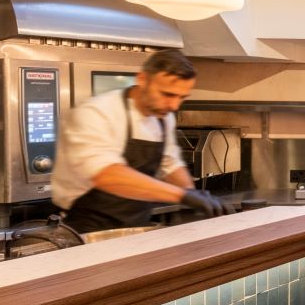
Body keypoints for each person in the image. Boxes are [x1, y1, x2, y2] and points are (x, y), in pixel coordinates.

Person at [52, 48, 229, 233]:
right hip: (85, 228)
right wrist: (183, 195)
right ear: (142, 79)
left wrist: (195, 194)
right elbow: (106, 175)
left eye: (182, 97)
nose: (174, 105)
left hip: (135, 225)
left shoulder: (163, 117)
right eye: (167, 94)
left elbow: (169, 163)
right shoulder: (96, 113)